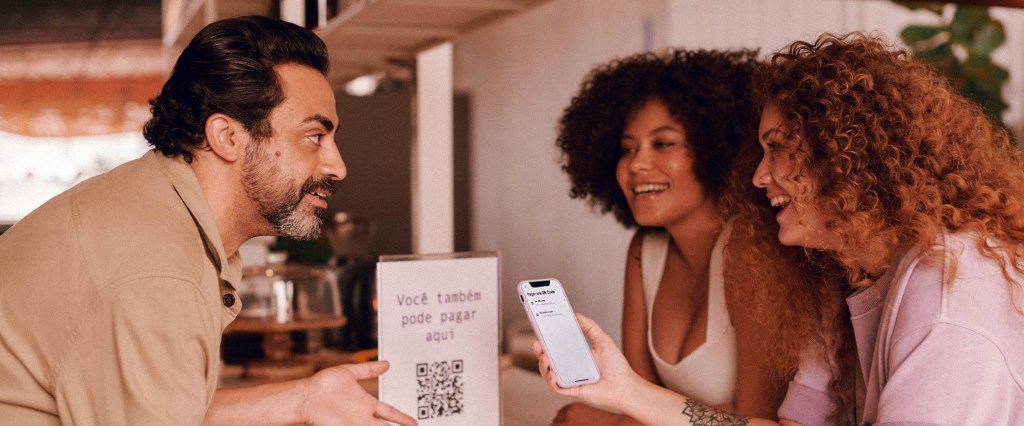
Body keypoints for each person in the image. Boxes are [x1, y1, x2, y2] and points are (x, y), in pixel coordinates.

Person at [535, 32, 1024, 425]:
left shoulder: (946, 298)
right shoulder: (842, 280)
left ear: (843, 153)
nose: (758, 176)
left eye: (778, 147)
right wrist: (625, 391)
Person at [0, 16, 416, 426]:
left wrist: (303, 400)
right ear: (228, 137)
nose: (337, 165)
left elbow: (161, 405)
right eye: (314, 137)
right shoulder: (156, 270)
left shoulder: (156, 213)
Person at [553, 48, 809, 423]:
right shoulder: (645, 253)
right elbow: (635, 402)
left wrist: (602, 420)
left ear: (713, 149)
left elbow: (755, 417)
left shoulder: (749, 249)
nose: (637, 164)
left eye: (663, 143)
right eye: (627, 149)